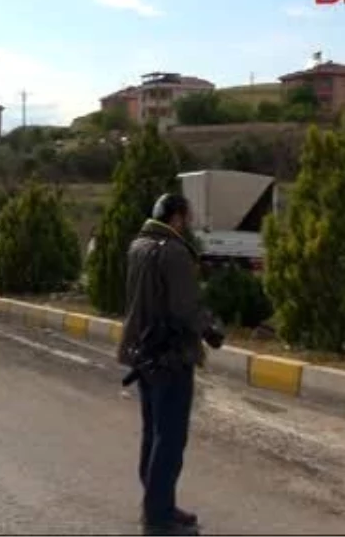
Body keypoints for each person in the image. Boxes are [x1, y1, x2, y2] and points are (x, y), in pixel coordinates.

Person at [118, 194, 208, 535]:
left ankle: (159, 503)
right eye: (188, 215)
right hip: (170, 354)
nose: (190, 221)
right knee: (169, 437)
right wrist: (210, 327)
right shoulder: (173, 252)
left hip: (143, 351)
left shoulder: (138, 246)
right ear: (177, 217)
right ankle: (158, 517)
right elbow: (184, 308)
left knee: (153, 432)